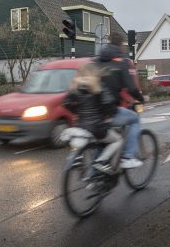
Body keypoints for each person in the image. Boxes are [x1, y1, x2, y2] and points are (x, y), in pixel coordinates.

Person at [95, 31, 146, 169]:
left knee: (101, 138)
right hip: (108, 110)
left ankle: (95, 174)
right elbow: (131, 88)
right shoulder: (122, 62)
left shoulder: (97, 60)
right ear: (121, 45)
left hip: (91, 111)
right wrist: (141, 99)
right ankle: (127, 156)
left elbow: (108, 85)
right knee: (134, 119)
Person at [62, 63, 122, 173]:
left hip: (81, 125)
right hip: (97, 127)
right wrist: (109, 115)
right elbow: (108, 103)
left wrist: (77, 112)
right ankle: (102, 161)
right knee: (117, 140)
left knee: (89, 144)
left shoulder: (75, 86)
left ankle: (80, 159)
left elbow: (66, 103)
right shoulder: (97, 85)